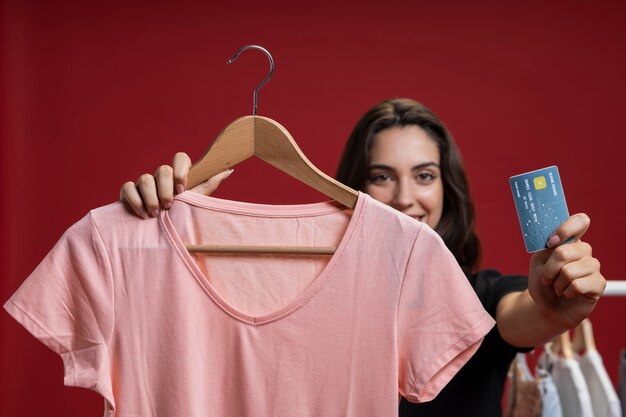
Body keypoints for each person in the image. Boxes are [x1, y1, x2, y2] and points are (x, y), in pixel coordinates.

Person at [120, 98, 606, 416]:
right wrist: (170, 223)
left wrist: (549, 308)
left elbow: (517, 317)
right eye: (381, 176)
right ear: (353, 188)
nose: (403, 198)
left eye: (423, 175)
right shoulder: (306, 299)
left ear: (447, 188)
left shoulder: (479, 296)